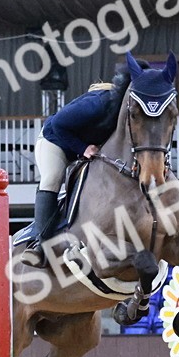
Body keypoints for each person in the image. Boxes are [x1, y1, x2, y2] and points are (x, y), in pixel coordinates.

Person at [26, 58, 143, 263]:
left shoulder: (131, 115)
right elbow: (60, 124)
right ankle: (39, 243)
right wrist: (82, 148)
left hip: (90, 149)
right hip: (56, 140)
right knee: (53, 177)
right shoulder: (97, 103)